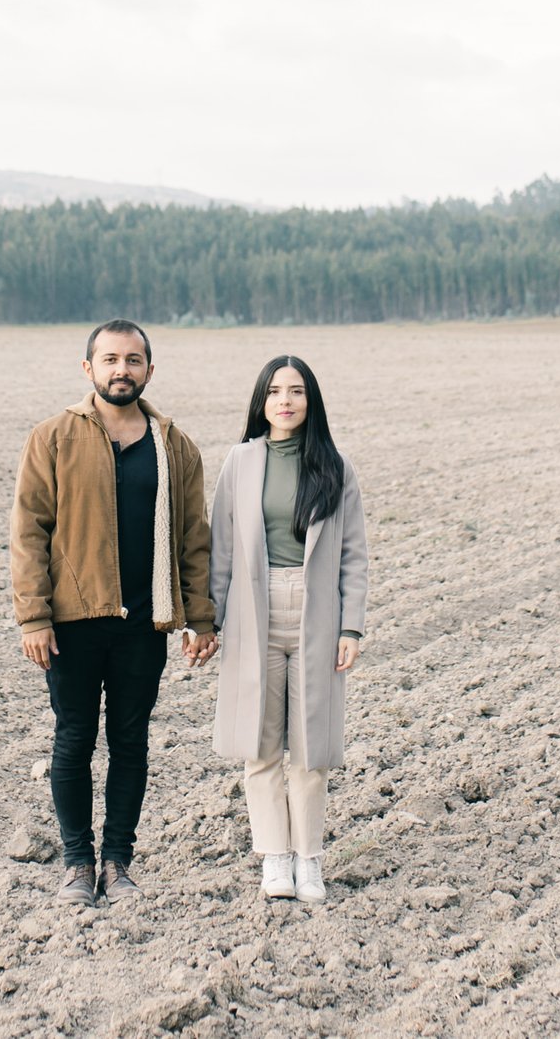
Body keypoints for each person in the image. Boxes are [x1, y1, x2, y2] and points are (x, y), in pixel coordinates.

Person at [11, 319, 219, 906]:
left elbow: (192, 539)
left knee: (130, 742)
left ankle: (118, 863)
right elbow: (29, 533)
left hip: (143, 624)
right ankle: (77, 864)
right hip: (72, 624)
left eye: (133, 360)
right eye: (109, 360)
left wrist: (200, 619)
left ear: (149, 370)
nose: (121, 369)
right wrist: (34, 617)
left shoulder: (174, 445)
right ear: (89, 370)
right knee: (73, 741)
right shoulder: (52, 438)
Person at [209, 355, 369, 903]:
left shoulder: (335, 466)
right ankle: (273, 859)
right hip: (253, 609)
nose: (285, 401)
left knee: (311, 748)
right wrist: (209, 619)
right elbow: (222, 549)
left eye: (296, 391)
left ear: (310, 401)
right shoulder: (241, 461)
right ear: (261, 401)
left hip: (316, 613)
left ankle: (309, 860)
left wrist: (352, 628)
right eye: (275, 391)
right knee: (261, 744)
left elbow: (352, 555)